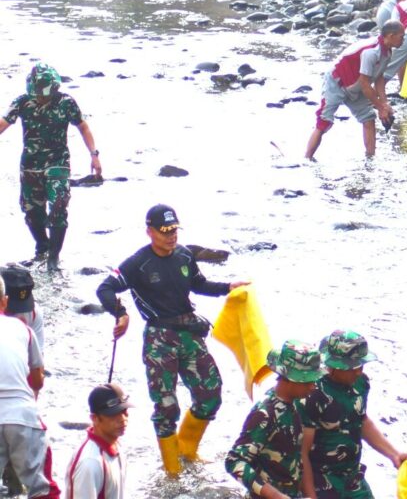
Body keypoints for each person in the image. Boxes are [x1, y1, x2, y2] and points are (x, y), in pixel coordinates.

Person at [96, 204, 250, 475]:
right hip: (159, 339)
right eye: (165, 231)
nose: (171, 236)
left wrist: (228, 287)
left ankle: (187, 450)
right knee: (166, 406)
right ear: (150, 232)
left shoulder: (184, 256)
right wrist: (121, 313)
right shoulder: (137, 263)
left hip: (190, 333)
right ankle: (172, 471)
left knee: (210, 394)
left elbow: (199, 284)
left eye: (175, 229)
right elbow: (105, 288)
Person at [0, 63, 101, 271]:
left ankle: (53, 258)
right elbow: (3, 123)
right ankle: (42, 248)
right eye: (37, 93)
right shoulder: (22, 102)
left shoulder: (66, 103)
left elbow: (82, 126)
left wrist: (94, 155)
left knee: (58, 205)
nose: (41, 97)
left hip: (58, 163)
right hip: (30, 164)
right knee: (31, 210)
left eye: (44, 93)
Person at [301, 331, 407, 499]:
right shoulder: (313, 392)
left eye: (361, 365)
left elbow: (362, 421)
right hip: (321, 481)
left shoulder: (360, 383)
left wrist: (394, 454)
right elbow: (302, 452)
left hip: (352, 478)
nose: (359, 372)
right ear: (335, 366)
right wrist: (310, 496)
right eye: (353, 367)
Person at [226, 340, 323, 499]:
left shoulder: (297, 405)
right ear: (289, 379)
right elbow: (234, 462)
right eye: (307, 381)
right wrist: (276, 496)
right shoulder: (265, 413)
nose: (313, 386)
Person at [306, 20, 406, 160]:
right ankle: (307, 159)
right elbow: (366, 85)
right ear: (391, 35)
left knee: (368, 118)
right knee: (324, 121)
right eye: (402, 36)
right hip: (336, 82)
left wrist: (384, 103)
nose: (404, 39)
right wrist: (380, 108)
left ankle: (370, 159)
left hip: (355, 87)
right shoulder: (371, 52)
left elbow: (379, 79)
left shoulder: (387, 53)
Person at [0, 273, 58, 499]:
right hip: (22, 413)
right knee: (42, 489)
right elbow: (38, 380)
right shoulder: (23, 328)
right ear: (5, 301)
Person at [66, 384, 130, 499]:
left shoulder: (117, 446)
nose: (122, 419)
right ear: (94, 419)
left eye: (124, 411)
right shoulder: (90, 464)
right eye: (114, 414)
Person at [1, 264, 44, 358]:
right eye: (12, 310)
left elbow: (38, 358)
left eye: (22, 306)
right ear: (3, 300)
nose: (18, 314)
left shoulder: (34, 313)